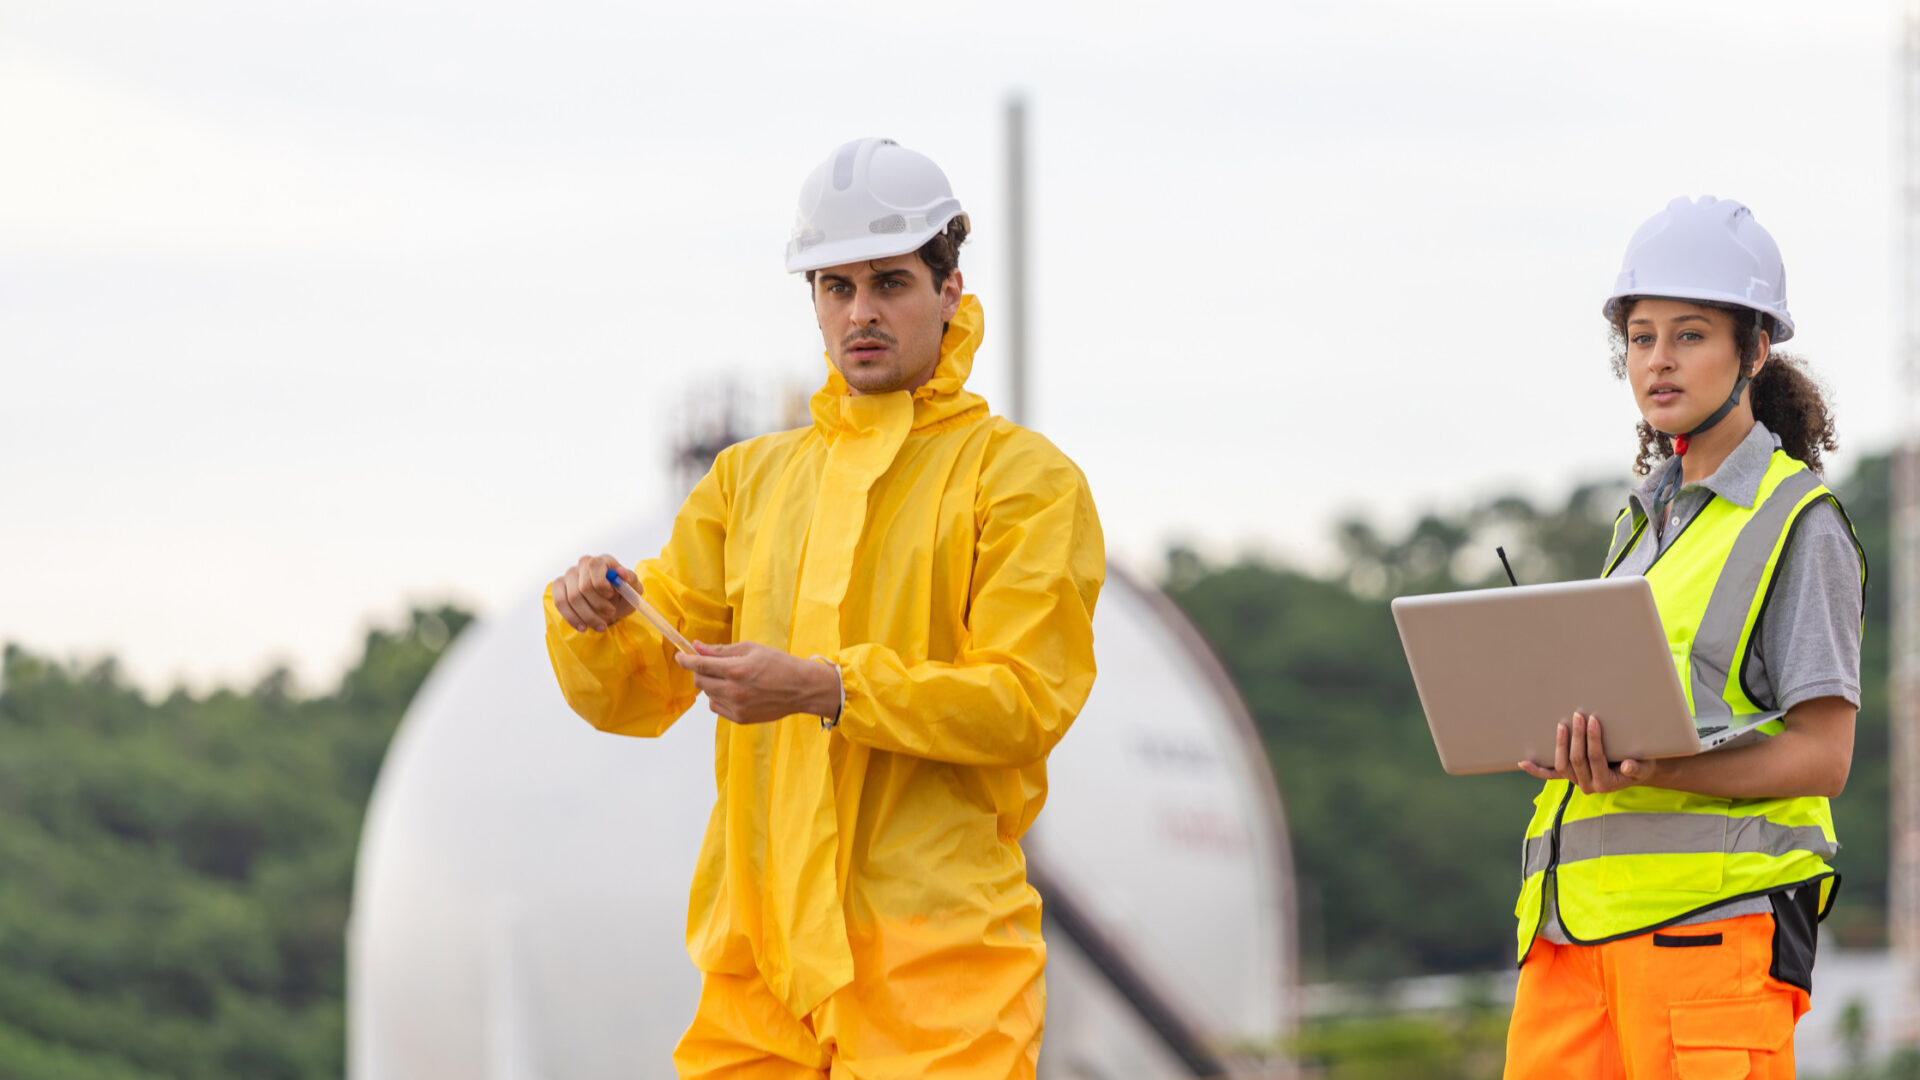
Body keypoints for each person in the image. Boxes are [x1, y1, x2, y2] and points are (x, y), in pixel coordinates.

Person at [543, 137, 1105, 1080]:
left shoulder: (1021, 483)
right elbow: (634, 694)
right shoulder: (748, 482)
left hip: (937, 972)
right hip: (757, 975)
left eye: (890, 282)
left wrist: (825, 688)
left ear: (951, 289)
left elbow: (1024, 702)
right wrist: (593, 620)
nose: (862, 313)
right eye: (836, 289)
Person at [1502, 196, 1866, 1079]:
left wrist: (1670, 770)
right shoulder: (1641, 529)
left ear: (1754, 349)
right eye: (1640, 337)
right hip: (1569, 939)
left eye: (1690, 335)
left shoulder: (1799, 522)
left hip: (1708, 946)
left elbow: (1825, 757)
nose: (1658, 361)